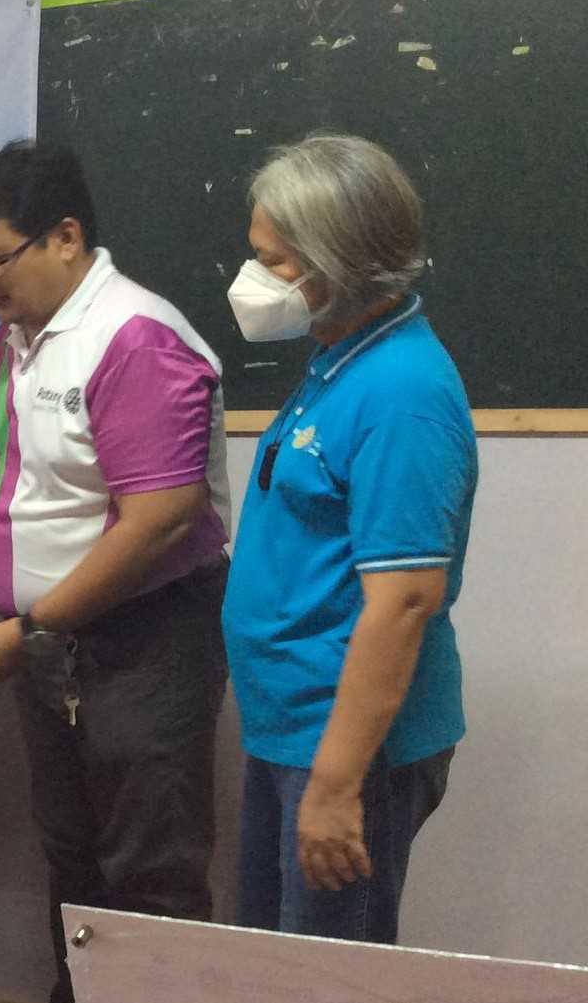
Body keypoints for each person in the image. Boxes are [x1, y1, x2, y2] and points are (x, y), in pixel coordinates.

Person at [0, 141, 232, 1003]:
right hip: (52, 650)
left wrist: (32, 628)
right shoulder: (13, 342)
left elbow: (159, 520)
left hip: (145, 643)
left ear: (66, 237)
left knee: (149, 873)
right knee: (72, 857)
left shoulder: (134, 337)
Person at [222, 133, 474, 943]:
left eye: (276, 261)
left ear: (343, 261)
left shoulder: (402, 391)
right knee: (277, 964)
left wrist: (336, 785)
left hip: (345, 750)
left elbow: (403, 603)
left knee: (326, 977)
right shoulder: (341, 358)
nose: (255, 278)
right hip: (293, 728)